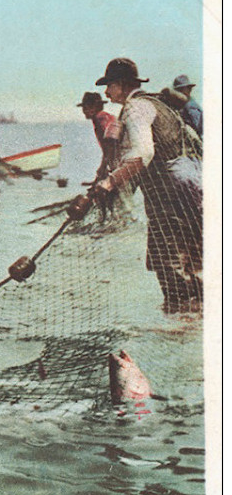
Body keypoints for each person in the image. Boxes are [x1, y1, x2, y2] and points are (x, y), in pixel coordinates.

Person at [88, 58, 203, 313]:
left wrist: (110, 181)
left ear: (120, 85)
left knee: (169, 265)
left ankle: (177, 332)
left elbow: (143, 153)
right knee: (193, 265)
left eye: (109, 86)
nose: (106, 93)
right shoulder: (158, 104)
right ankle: (192, 327)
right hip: (193, 189)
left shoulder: (136, 108)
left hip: (169, 195)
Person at [77, 92, 121, 183]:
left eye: (87, 107)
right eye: (83, 108)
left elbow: (110, 145)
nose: (84, 111)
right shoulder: (106, 117)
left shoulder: (101, 119)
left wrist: (103, 167)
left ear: (95, 107)